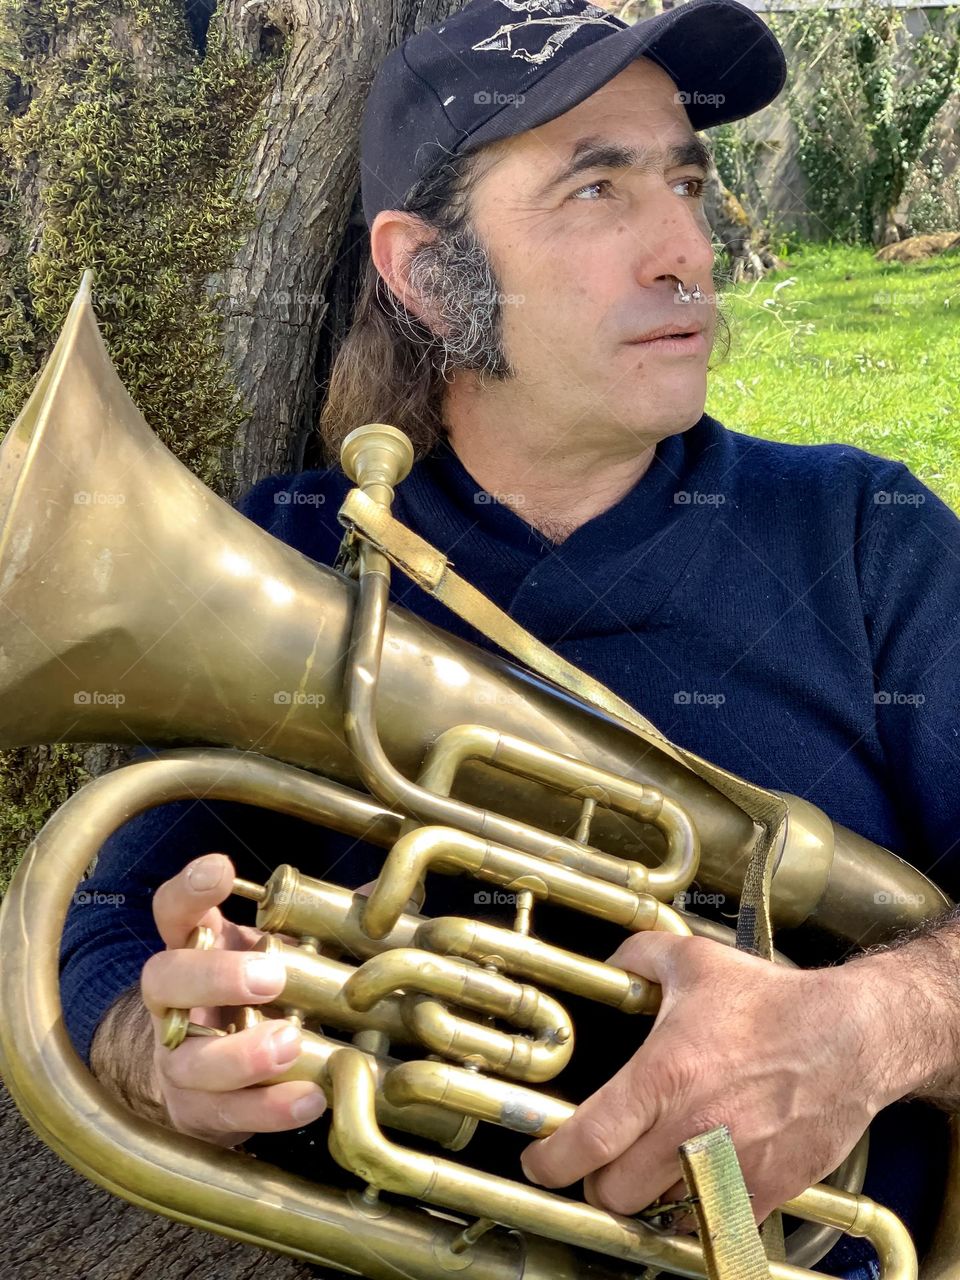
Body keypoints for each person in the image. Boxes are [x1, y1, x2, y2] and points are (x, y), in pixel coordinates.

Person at [59, 3, 960, 1278]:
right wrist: (154, 1051)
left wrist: (869, 1026)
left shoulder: (867, 534)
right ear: (428, 274)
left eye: (686, 182)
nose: (685, 252)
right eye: (596, 189)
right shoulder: (289, 551)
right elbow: (95, 916)